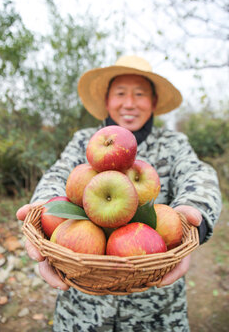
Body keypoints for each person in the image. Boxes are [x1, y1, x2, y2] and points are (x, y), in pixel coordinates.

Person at [17, 55, 221, 331]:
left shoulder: (173, 143)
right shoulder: (86, 142)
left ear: (153, 103)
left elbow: (198, 174)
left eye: (139, 94)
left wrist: (195, 212)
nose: (129, 103)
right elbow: (59, 174)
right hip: (83, 310)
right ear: (107, 100)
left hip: (156, 310)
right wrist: (44, 213)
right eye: (120, 93)